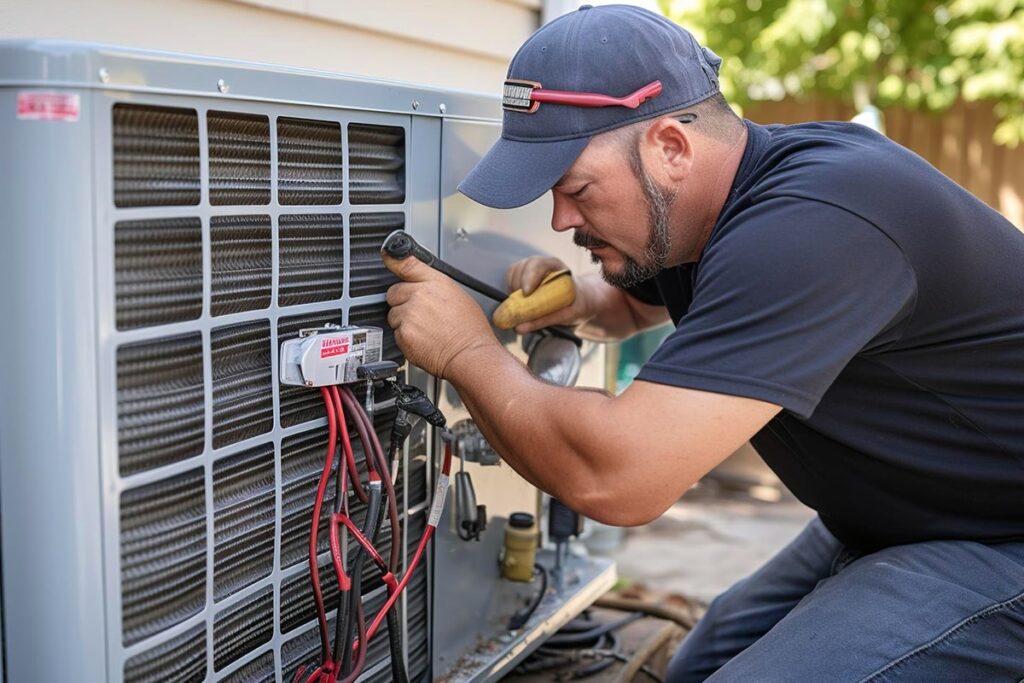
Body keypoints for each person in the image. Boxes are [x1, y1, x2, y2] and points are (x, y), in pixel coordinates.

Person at [382, 4, 1024, 680]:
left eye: (576, 189)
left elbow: (618, 477)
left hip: (1000, 534)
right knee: (700, 660)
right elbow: (628, 308)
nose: (561, 217)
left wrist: (464, 353)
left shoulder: (811, 227)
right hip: (905, 513)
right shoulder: (711, 208)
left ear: (671, 148)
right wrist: (573, 299)